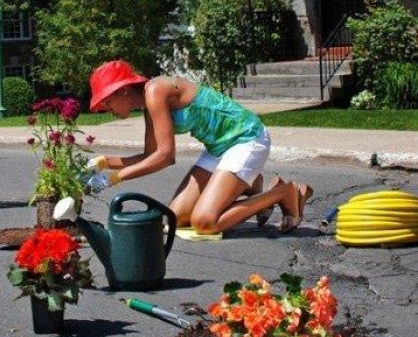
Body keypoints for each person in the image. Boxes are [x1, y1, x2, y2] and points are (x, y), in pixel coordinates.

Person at [86, 60, 312, 236]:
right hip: (218, 148)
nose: (104, 109)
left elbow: (165, 157)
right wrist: (102, 162)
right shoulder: (149, 106)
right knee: (176, 218)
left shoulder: (155, 91)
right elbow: (149, 155)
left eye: (105, 101)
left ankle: (283, 192)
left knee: (205, 222)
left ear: (123, 90)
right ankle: (250, 183)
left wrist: (112, 178)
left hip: (246, 139)